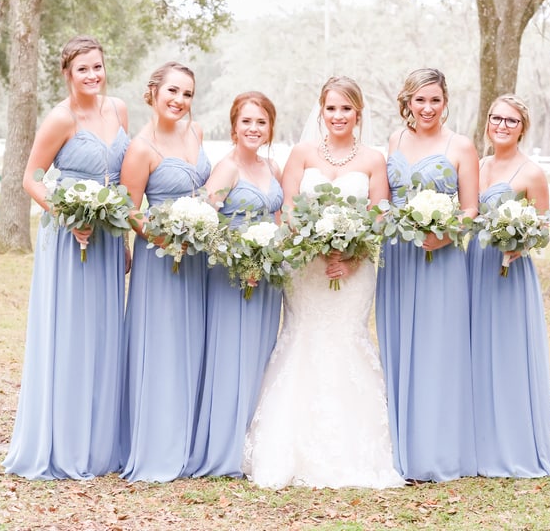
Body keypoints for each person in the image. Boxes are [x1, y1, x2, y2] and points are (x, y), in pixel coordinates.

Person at [242, 76, 403, 489]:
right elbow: (288, 206)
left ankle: (355, 446)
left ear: (358, 113)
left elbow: (380, 213)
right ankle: (289, 444)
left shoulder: (372, 159)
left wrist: (351, 254)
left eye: (346, 109)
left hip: (353, 268)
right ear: (321, 110)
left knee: (346, 338)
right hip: (305, 267)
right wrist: (308, 241)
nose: (337, 116)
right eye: (331, 108)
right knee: (304, 337)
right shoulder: (302, 153)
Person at [3, 35, 130, 479]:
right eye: (83, 70)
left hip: (111, 238)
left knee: (106, 334)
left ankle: (100, 445)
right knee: (73, 335)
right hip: (71, 238)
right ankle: (64, 442)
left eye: (98, 66)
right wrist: (66, 213)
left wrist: (126, 236)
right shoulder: (60, 119)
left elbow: (123, 181)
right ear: (67, 74)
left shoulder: (119, 109)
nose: (93, 75)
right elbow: (31, 178)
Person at [374, 68, 480, 481]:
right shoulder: (394, 141)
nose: (427, 108)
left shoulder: (461, 146)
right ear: (407, 102)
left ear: (445, 101)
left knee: (438, 349)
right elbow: (382, 202)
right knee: (401, 348)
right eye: (420, 100)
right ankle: (402, 449)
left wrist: (446, 232)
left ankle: (437, 451)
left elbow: (471, 208)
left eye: (435, 99)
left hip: (443, 257)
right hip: (399, 257)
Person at [119, 62, 211, 482]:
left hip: (197, 259)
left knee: (192, 344)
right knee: (162, 346)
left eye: (188, 94)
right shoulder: (141, 148)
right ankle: (156, 444)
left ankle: (190, 441)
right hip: (161, 261)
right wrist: (162, 239)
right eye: (173, 91)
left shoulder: (197, 133)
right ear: (153, 92)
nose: (179, 100)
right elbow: (130, 209)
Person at [468, 94, 550, 477]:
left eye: (510, 120)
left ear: (522, 127)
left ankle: (513, 442)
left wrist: (519, 243)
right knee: (478, 348)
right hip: (475, 264)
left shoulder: (532, 173)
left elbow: (543, 228)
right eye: (496, 118)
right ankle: (479, 441)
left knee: (508, 352)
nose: (502, 125)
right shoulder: (478, 166)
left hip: (510, 269)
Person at [185, 91, 284, 478]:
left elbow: (277, 218)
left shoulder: (272, 168)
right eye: (246, 121)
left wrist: (271, 255)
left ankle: (248, 442)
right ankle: (222, 448)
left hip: (266, 277)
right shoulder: (226, 170)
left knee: (258, 357)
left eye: (261, 122)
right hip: (233, 276)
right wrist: (240, 260)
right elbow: (207, 222)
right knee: (231, 357)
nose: (253, 128)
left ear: (270, 128)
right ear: (234, 127)